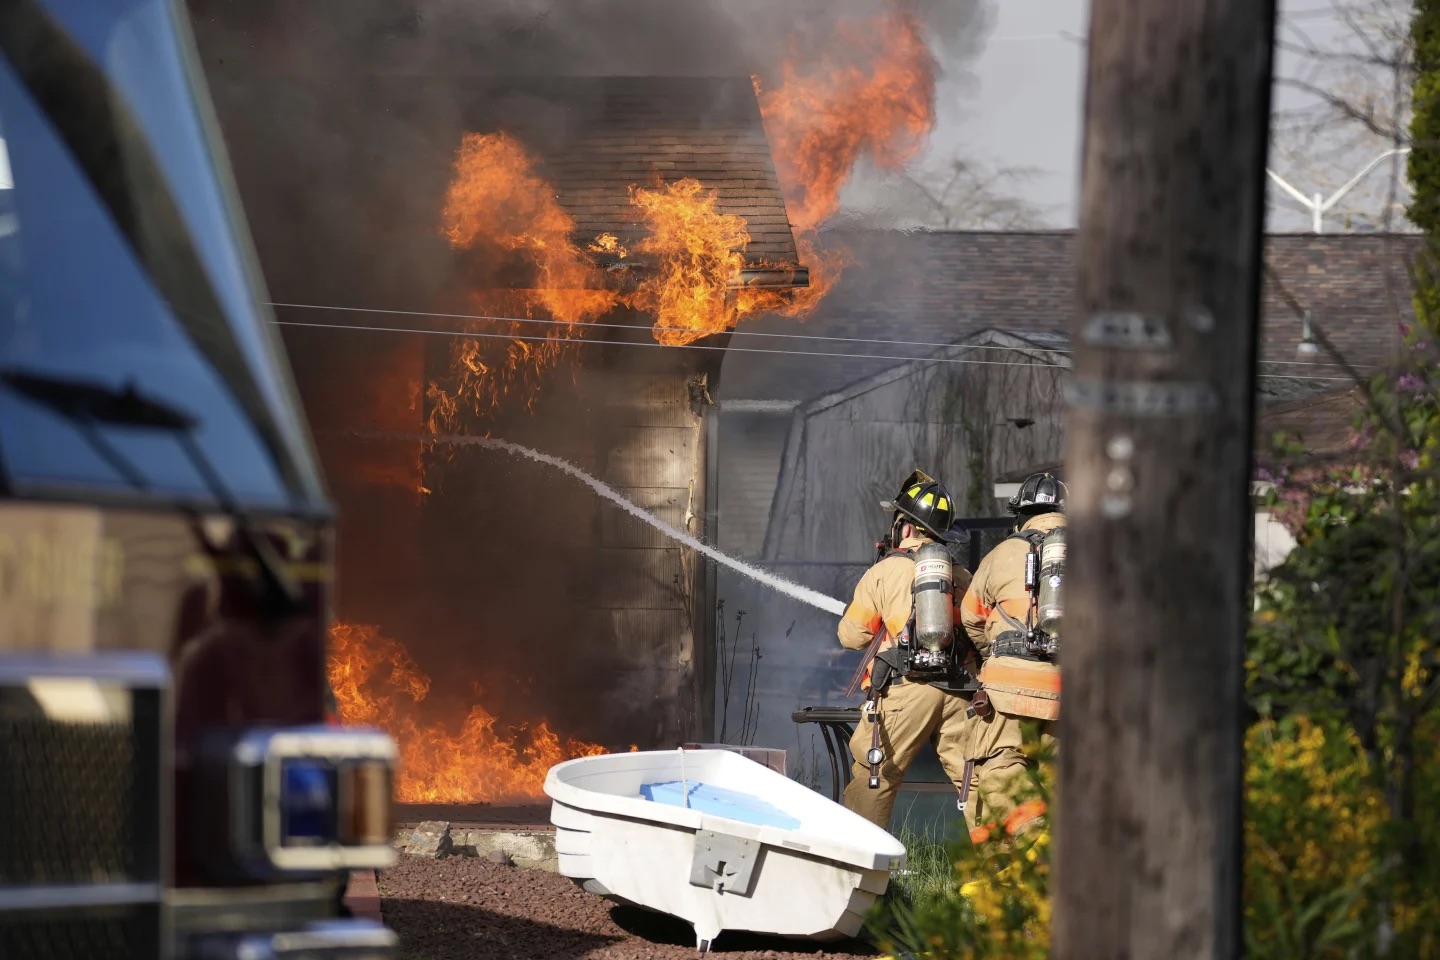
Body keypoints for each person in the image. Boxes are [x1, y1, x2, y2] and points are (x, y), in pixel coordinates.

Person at [837, 469, 975, 831]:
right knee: (974, 777)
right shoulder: (961, 577)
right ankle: (1006, 873)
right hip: (958, 691)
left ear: (907, 527)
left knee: (874, 775)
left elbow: (851, 636)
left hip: (906, 688)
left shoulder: (886, 571)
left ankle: (864, 875)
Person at [958, 472, 1067, 840]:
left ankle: (1037, 838)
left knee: (1000, 768)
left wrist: (995, 654)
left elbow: (970, 617)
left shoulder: (1002, 552)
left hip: (1010, 687)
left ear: (1021, 516)